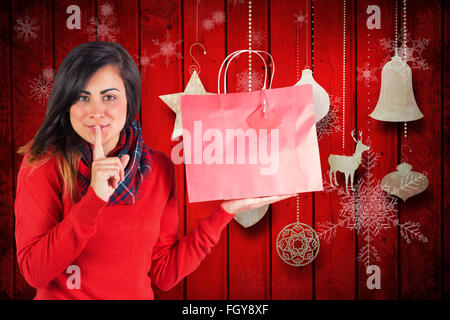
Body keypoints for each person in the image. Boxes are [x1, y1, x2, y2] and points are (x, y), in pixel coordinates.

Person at [14, 41, 295, 300]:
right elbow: (34, 272)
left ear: (129, 100)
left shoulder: (158, 168)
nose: (95, 111)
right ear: (66, 104)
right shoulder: (44, 163)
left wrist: (226, 211)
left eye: (109, 97)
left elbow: (164, 274)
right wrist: (94, 199)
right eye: (82, 98)